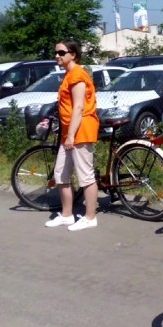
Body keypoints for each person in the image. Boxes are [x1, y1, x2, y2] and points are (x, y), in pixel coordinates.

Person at [44, 40, 100, 231]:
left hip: (80, 130)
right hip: (70, 131)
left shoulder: (77, 75)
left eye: (61, 52)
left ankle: (90, 217)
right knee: (61, 174)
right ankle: (67, 214)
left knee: (86, 176)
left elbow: (78, 107)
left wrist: (70, 136)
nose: (57, 56)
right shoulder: (69, 74)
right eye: (56, 53)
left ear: (73, 54)